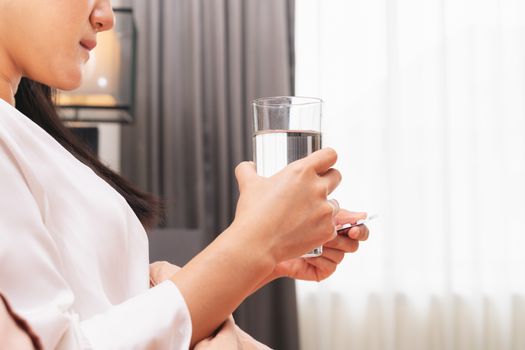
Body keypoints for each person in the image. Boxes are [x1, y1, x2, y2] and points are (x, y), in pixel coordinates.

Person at [0, 0, 370, 349]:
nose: (106, 17)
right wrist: (254, 242)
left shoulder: (26, 133)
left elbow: (105, 307)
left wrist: (262, 255)